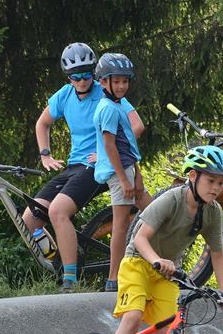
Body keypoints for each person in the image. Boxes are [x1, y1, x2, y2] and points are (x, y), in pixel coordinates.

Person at [22, 43, 145, 291]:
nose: (81, 81)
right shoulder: (64, 95)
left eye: (86, 74)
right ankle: (67, 254)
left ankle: (70, 280)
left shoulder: (106, 93)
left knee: (58, 211)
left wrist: (105, 152)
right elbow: (42, 123)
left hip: (96, 167)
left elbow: (137, 126)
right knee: (29, 221)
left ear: (95, 73)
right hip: (73, 166)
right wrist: (44, 153)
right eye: (74, 77)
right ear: (68, 77)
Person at [106, 146, 223, 334]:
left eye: (221, 182)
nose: (216, 188)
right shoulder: (172, 200)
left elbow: (218, 255)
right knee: (133, 317)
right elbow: (140, 238)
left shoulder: (213, 212)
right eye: (211, 181)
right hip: (137, 262)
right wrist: (156, 260)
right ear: (193, 176)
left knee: (167, 327)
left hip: (168, 273)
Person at [92, 53, 153, 292]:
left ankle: (149, 265)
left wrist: (136, 174)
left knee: (154, 212)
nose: (121, 86)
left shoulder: (117, 106)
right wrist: (123, 178)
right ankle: (113, 279)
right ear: (103, 82)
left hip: (127, 170)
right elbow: (110, 146)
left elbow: (128, 144)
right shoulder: (107, 108)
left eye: (125, 81)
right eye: (116, 81)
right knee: (120, 226)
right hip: (118, 174)